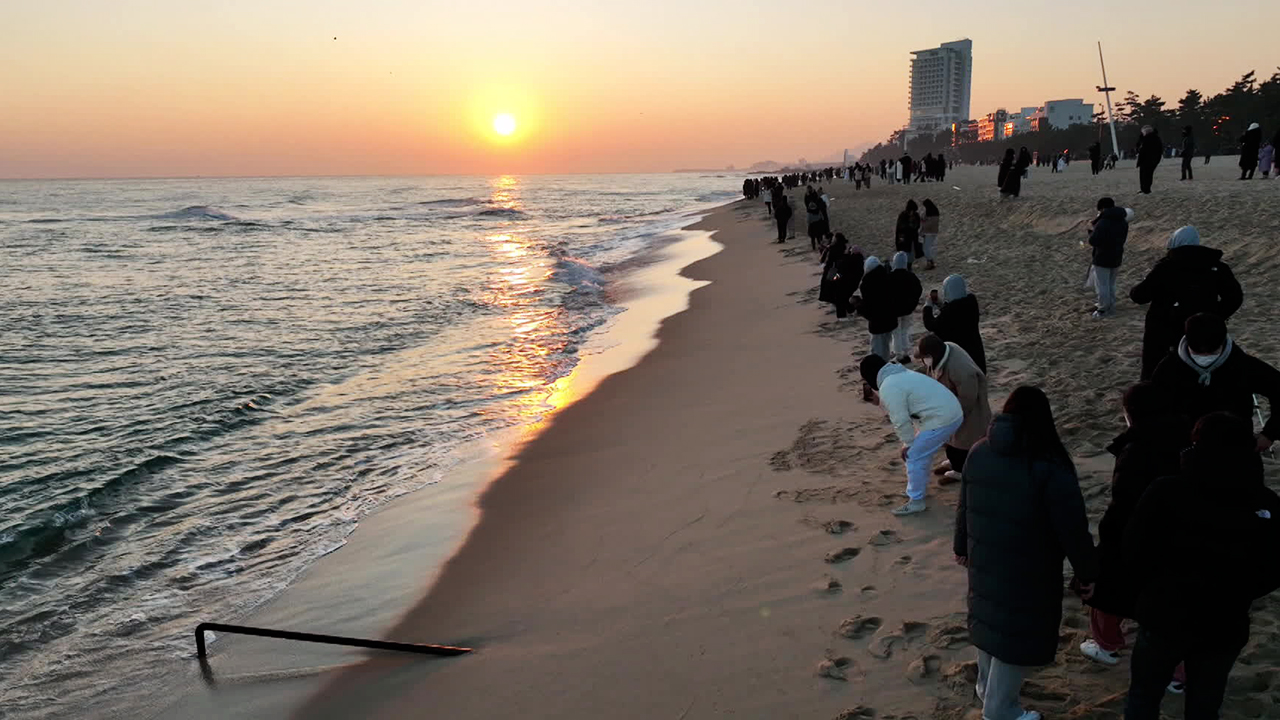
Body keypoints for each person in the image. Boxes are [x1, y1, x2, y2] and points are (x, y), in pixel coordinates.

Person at [1122, 412, 1280, 720]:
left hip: (1167, 615)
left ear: (1197, 446)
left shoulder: (1166, 491)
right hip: (1223, 620)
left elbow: (1133, 551)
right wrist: (1243, 591)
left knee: (1144, 696)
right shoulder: (1265, 502)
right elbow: (1273, 567)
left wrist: (1152, 589)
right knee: (1204, 703)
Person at [955, 386, 1098, 720]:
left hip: (985, 563)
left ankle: (987, 692)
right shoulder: (1050, 465)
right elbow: (1073, 529)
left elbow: (964, 506)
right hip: (1029, 571)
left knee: (991, 623)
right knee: (1012, 635)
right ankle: (1000, 711)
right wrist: (1088, 573)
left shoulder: (979, 451)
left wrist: (961, 547)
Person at [1080, 383, 1189, 667]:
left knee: (1105, 586)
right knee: (1173, 605)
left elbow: (1123, 504)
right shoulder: (1187, 438)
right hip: (1180, 532)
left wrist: (1107, 541)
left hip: (1140, 529)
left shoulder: (1135, 450)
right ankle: (1178, 675)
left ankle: (1106, 645)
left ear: (1130, 415)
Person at [1151, 313, 1280, 451]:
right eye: (1197, 352)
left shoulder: (1244, 365)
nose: (1205, 356)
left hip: (1235, 444)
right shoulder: (1168, 368)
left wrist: (1269, 434)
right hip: (1183, 445)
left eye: (1212, 352)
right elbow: (1152, 405)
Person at [1129, 226, 1243, 379]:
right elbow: (1234, 298)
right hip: (1202, 328)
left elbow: (1139, 296)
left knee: (1156, 371)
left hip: (1164, 328)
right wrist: (1215, 316)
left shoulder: (1166, 267)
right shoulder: (1217, 267)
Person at [859, 355, 963, 516]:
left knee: (913, 455)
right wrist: (910, 440)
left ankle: (916, 501)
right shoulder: (900, 374)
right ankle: (918, 490)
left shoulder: (889, 386)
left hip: (942, 418)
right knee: (921, 451)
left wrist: (908, 444)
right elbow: (911, 411)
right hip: (948, 413)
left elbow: (900, 420)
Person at [916, 333, 991, 484]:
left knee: (963, 442)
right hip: (949, 404)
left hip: (968, 410)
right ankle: (953, 462)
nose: (924, 362)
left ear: (933, 354)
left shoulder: (961, 370)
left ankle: (959, 471)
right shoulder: (943, 352)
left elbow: (967, 399)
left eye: (925, 357)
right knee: (950, 439)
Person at [922, 274, 987, 373]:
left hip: (961, 363)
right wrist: (941, 305)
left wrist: (927, 307)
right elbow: (955, 312)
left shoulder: (949, 312)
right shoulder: (971, 302)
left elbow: (931, 325)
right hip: (977, 358)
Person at [1087, 197, 1128, 319]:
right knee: (1111, 284)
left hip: (1103, 257)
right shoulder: (1123, 221)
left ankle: (1103, 309)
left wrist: (1091, 231)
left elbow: (1094, 241)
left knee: (1102, 285)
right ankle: (1110, 305)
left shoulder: (1103, 222)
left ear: (1102, 208)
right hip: (1117, 255)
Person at [855, 256, 898, 360]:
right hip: (890, 319)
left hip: (877, 322)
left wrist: (858, 305)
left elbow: (869, 306)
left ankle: (879, 370)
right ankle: (885, 366)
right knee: (886, 346)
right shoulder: (888, 277)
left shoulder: (866, 284)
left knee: (877, 350)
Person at [818, 235, 864, 320]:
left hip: (834, 272)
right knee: (836, 292)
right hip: (842, 276)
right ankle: (850, 310)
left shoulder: (836, 250)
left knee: (832, 290)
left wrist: (835, 278)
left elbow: (838, 269)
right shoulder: (857, 261)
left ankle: (844, 313)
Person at [889, 252, 923, 363]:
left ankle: (899, 353)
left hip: (894, 310)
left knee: (896, 332)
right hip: (907, 309)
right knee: (904, 330)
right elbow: (918, 290)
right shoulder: (911, 276)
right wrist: (913, 303)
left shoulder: (890, 276)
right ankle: (905, 350)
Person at [1136, 125, 1163, 194]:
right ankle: (1145, 189)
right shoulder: (1155, 138)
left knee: (1145, 175)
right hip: (1152, 160)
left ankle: (1146, 189)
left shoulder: (1148, 139)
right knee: (1147, 175)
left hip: (1148, 160)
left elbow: (1143, 150)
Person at [895, 200, 922, 264]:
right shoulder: (903, 215)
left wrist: (913, 225)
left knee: (911, 252)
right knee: (903, 250)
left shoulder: (916, 215)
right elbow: (900, 227)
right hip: (903, 237)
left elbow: (918, 225)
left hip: (912, 238)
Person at [920, 199, 940, 271]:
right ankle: (930, 261)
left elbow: (928, 224)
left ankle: (930, 262)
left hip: (930, 233)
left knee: (926, 248)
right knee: (928, 248)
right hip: (932, 232)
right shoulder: (933, 211)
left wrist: (923, 223)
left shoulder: (931, 213)